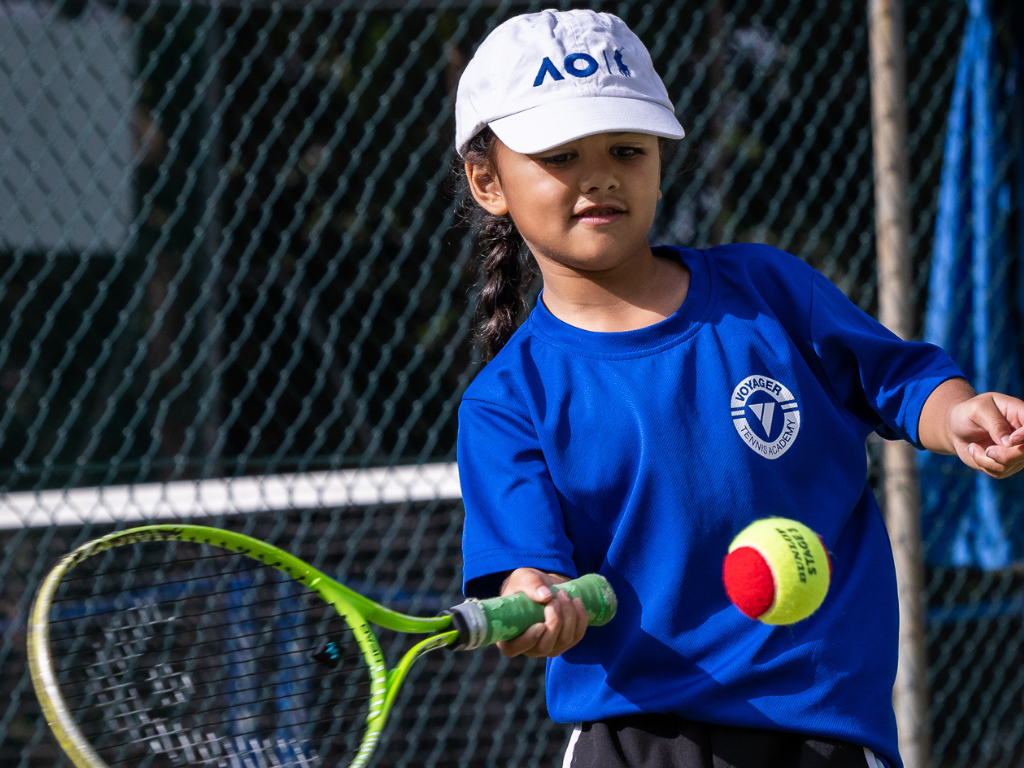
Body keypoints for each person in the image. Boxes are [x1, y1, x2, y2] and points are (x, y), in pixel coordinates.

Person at [452, 9, 1024, 768]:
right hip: (636, 741)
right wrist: (538, 602)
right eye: (559, 154)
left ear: (659, 157)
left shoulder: (768, 289)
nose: (600, 175)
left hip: (821, 731)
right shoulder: (506, 401)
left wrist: (960, 415)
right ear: (488, 180)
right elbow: (529, 569)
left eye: (627, 147)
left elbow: (900, 378)